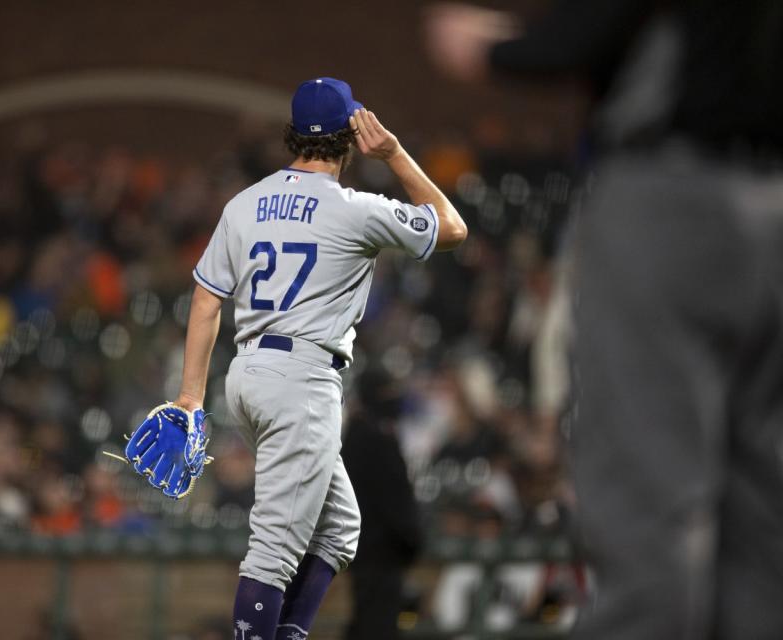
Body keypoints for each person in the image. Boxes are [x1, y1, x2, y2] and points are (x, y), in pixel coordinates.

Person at [425, 2, 783, 638]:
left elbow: (590, 31)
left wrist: (501, 48)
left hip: (676, 193)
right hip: (769, 205)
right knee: (762, 518)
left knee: (650, 514)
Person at [173, 77, 467, 640]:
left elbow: (208, 296)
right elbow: (452, 228)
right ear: (350, 137)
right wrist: (396, 152)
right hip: (301, 380)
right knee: (274, 552)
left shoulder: (245, 202)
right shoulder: (354, 209)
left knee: (339, 529)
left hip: (248, 377)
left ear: (293, 135)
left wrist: (190, 398)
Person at [341, 368, 422, 640]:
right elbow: (398, 506)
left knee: (364, 624)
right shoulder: (376, 439)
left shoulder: (352, 435)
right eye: (388, 392)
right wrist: (413, 541)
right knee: (376, 628)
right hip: (382, 555)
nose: (394, 398)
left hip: (358, 552)